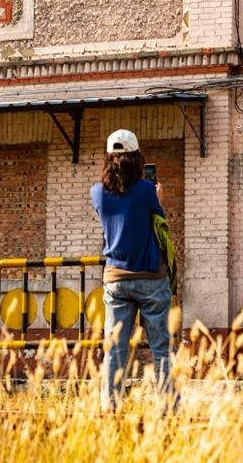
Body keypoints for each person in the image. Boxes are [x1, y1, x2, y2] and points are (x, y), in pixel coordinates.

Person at [90, 129, 174, 411]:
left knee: (115, 348)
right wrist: (159, 199)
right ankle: (168, 408)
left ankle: (110, 407)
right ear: (137, 158)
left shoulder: (97, 193)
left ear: (109, 158)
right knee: (161, 348)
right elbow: (158, 218)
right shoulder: (147, 190)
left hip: (116, 280)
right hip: (151, 278)